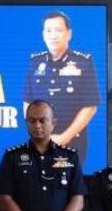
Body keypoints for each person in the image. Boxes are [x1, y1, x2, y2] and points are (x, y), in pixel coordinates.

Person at [23, 11, 100, 161]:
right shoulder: (35, 62)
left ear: (69, 34)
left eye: (58, 30)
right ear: (43, 35)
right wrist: (40, 135)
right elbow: (27, 102)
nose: (53, 35)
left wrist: (65, 137)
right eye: (48, 31)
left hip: (73, 142)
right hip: (39, 143)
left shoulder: (83, 62)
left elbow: (90, 106)